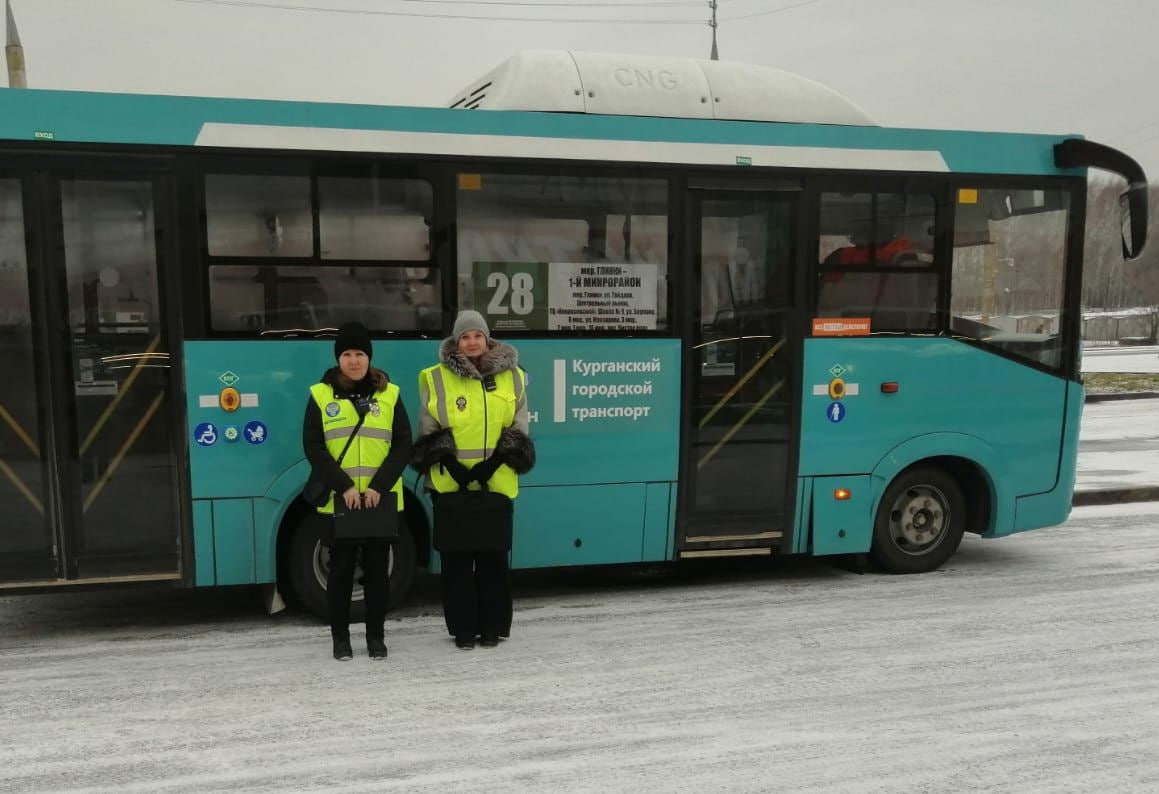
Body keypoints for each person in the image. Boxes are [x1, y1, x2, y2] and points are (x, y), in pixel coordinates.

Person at [412, 310, 535, 650]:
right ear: (455, 341)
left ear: (487, 338)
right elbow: (429, 427)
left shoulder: (515, 377)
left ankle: (492, 628)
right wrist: (449, 463)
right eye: (465, 336)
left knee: (493, 561)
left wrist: (495, 462)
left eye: (477, 336)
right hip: (451, 486)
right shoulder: (434, 378)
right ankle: (464, 629)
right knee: (457, 563)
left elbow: (519, 427)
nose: (471, 342)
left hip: (496, 484)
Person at [302, 321, 413, 661]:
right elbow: (314, 446)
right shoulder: (320, 396)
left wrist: (379, 486)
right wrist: (345, 486)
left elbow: (403, 444)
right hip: (340, 501)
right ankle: (340, 639)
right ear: (338, 359)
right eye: (347, 354)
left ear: (369, 357)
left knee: (379, 575)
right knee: (340, 574)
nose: (354, 360)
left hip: (379, 501)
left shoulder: (389, 394)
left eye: (360, 353)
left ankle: (376, 638)